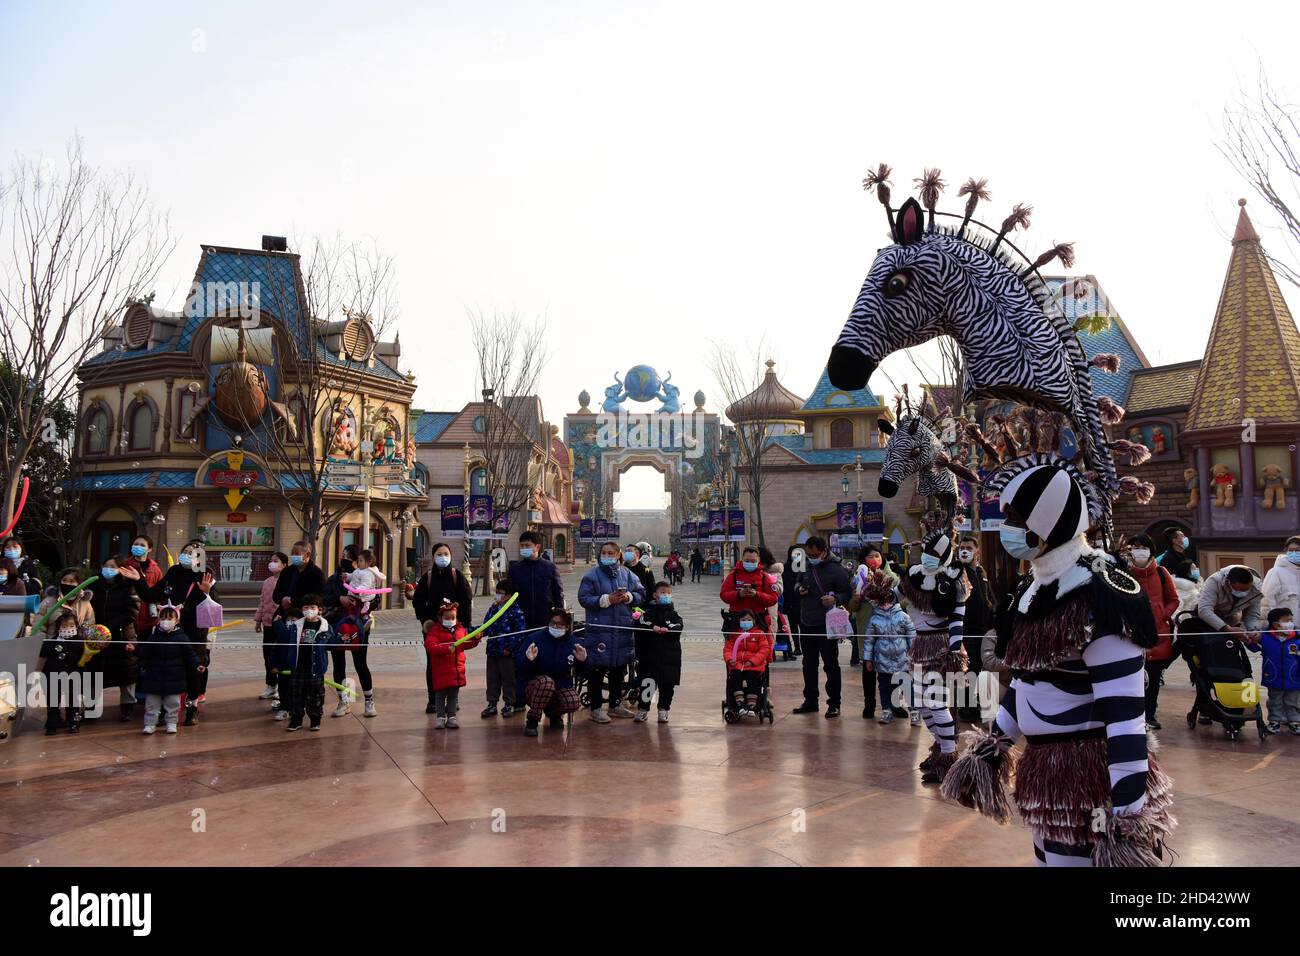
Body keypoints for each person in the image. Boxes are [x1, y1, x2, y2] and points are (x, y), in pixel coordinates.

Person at [943, 459, 1173, 867]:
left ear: (1046, 521)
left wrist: (1127, 812)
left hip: (1089, 776)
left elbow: (1125, 718)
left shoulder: (1100, 595)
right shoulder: (1032, 589)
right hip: (1045, 773)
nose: (1008, 526)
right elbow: (1029, 683)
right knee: (1047, 860)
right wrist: (994, 746)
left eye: (1016, 516)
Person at [900, 529, 969, 782]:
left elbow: (957, 620)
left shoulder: (955, 579)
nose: (928, 556)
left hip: (939, 648)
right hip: (919, 647)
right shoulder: (914, 575)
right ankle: (941, 748)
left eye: (934, 553)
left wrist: (954, 650)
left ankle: (950, 760)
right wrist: (878, 590)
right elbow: (894, 595)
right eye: (926, 551)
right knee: (920, 703)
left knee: (938, 703)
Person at [132, 538, 218, 725]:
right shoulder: (174, 572)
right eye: (185, 551)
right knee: (168, 667)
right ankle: (167, 709)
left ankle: (192, 708)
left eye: (192, 553)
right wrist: (139, 580)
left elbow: (212, 607)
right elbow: (150, 595)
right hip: (171, 628)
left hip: (195, 630)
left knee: (193, 670)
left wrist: (206, 592)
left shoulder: (205, 574)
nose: (187, 555)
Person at [577, 541, 644, 723]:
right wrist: (606, 599)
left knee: (618, 669)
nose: (606, 556)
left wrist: (629, 597)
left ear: (617, 555)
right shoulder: (592, 576)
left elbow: (640, 594)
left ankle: (615, 704)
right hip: (600, 631)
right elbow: (584, 598)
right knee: (597, 671)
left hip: (622, 629)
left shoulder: (627, 574)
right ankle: (596, 707)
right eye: (604, 552)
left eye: (610, 553)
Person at [792, 536, 853, 719]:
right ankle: (810, 701)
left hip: (828, 624)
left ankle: (834, 703)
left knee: (831, 665)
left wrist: (836, 599)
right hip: (807, 621)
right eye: (809, 554)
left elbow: (847, 592)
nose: (812, 557)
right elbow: (796, 583)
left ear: (824, 551)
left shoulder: (836, 569)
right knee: (808, 664)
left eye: (815, 554)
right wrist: (799, 590)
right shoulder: (805, 566)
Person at [1125, 533, 1179, 729]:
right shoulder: (1122, 572)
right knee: (1132, 680)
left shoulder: (1162, 573)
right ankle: (1134, 716)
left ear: (1151, 551)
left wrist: (1163, 613)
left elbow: (1174, 599)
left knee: (1153, 680)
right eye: (1135, 547)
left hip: (1158, 636)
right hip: (1130, 637)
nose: (1140, 551)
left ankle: (1150, 714)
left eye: (1143, 547)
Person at [412, 542, 473, 713]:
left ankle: (453, 699)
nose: (443, 557)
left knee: (454, 663)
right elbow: (418, 601)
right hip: (433, 630)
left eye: (446, 554)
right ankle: (433, 700)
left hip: (454, 628)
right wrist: (426, 621)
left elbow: (466, 600)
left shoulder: (457, 576)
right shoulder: (428, 577)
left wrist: (465, 625)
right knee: (433, 664)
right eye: (439, 554)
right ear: (433, 557)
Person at [516, 609, 590, 736]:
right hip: (533, 684)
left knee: (573, 701)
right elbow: (519, 666)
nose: (555, 626)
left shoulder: (574, 643)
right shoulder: (535, 639)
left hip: (561, 683)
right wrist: (528, 660)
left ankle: (554, 714)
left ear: (567, 626)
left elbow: (586, 672)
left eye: (560, 624)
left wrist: (583, 661)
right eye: (552, 623)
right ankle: (533, 719)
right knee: (546, 683)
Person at [327, 547, 380, 719]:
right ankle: (343, 700)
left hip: (359, 626)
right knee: (338, 664)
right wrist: (339, 599)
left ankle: (369, 700)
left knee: (360, 663)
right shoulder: (335, 578)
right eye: (342, 556)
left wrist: (364, 602)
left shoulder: (367, 576)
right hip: (337, 625)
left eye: (348, 557)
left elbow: (375, 600)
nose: (344, 560)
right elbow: (323, 597)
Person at [87, 555, 142, 721]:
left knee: (126, 672)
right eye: (106, 565)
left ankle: (127, 707)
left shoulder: (128, 586)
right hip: (96, 635)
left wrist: (110, 626)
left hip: (121, 635)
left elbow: (132, 611)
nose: (108, 569)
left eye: (113, 566)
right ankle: (91, 707)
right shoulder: (94, 584)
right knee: (94, 671)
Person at [137, 605, 204, 735]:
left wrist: (197, 665)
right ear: (158, 620)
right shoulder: (153, 638)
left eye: (169, 618)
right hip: (154, 677)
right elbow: (145, 653)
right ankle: (150, 724)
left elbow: (190, 655)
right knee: (151, 704)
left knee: (173, 703)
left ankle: (172, 723)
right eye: (163, 618)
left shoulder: (182, 638)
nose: (165, 621)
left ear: (177, 621)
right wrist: (134, 650)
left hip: (175, 677)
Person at [859, 572, 914, 723]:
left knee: (907, 687)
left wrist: (913, 654)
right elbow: (869, 641)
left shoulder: (903, 616)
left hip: (902, 660)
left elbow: (911, 636)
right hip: (882, 661)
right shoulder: (874, 619)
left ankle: (914, 711)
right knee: (884, 687)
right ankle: (886, 711)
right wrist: (868, 659)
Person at [953, 535, 993, 723]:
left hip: (983, 630)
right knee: (966, 670)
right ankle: (965, 709)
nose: (965, 550)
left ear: (977, 551)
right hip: (965, 629)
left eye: (969, 547)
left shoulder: (981, 572)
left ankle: (977, 705)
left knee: (980, 669)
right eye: (962, 547)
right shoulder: (957, 571)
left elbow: (988, 597)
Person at [424, 602, 480, 729]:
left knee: (453, 695)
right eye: (447, 618)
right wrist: (445, 649)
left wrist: (476, 639)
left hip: (456, 670)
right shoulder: (435, 632)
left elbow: (466, 643)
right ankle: (440, 717)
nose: (450, 621)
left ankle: (452, 716)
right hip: (441, 670)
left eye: (453, 618)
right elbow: (431, 647)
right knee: (440, 695)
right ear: (440, 618)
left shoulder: (460, 630)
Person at [634, 580, 683, 722]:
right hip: (649, 657)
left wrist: (669, 630)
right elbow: (641, 623)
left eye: (668, 593)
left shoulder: (674, 614)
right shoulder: (648, 613)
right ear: (655, 595)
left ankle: (663, 710)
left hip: (670, 658)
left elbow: (678, 626)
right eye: (663, 593)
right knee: (647, 684)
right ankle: (643, 709)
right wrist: (652, 628)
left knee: (667, 686)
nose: (666, 595)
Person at [286, 594, 336, 732]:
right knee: (296, 694)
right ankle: (296, 720)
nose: (309, 610)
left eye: (312, 607)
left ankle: (315, 720)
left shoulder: (325, 627)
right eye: (306, 607)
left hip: (316, 667)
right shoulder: (296, 626)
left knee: (316, 695)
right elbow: (285, 641)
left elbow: (332, 643)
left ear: (319, 609)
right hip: (298, 666)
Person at [1248, 607, 1300, 734]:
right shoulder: (1265, 638)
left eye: (1291, 620)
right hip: (1273, 676)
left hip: (1294, 677)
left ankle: (1294, 722)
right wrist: (1251, 639)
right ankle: (1274, 721)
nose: (1291, 623)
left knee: (1292, 701)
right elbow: (1253, 647)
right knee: (1274, 701)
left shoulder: (1297, 639)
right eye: (1287, 620)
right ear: (1276, 625)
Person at [481, 579, 527, 718]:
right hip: (493, 651)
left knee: (508, 679)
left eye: (500, 593)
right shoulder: (494, 608)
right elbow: (486, 625)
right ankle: (492, 704)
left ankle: (509, 704)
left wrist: (510, 648)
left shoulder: (516, 611)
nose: (497, 596)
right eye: (497, 593)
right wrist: (476, 633)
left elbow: (520, 633)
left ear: (509, 595)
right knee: (492, 678)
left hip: (507, 653)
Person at [122, 535, 164, 685]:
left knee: (145, 653)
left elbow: (160, 591)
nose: (137, 546)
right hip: (130, 616)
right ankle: (131, 687)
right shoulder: (126, 565)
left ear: (149, 549)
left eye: (142, 544)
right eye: (135, 543)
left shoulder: (155, 568)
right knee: (130, 653)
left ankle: (143, 686)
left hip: (149, 617)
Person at [507, 530, 564, 631]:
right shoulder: (514, 569)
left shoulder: (550, 567)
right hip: (521, 619)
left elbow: (558, 593)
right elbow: (509, 594)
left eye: (527, 545)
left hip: (545, 619)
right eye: (522, 546)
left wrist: (560, 614)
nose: (524, 548)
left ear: (537, 547)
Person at [41, 609, 85, 735]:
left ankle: (74, 723)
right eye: (64, 626)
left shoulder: (79, 641)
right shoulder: (53, 640)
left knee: (73, 702)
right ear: (59, 627)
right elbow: (43, 652)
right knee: (53, 702)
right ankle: (51, 725)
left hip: (73, 675)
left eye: (71, 626)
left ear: (76, 626)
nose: (68, 629)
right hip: (54, 675)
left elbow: (83, 658)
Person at [253, 551, 289, 704]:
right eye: (271, 560)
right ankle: (271, 685)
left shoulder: (287, 581)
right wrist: (258, 620)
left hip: (281, 625)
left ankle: (282, 687)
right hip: (267, 624)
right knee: (267, 655)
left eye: (276, 560)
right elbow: (262, 602)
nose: (272, 563)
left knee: (281, 655)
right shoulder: (267, 581)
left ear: (284, 565)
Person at [724, 609, 771, 716]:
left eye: (749, 619)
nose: (746, 621)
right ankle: (739, 702)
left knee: (752, 677)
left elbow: (764, 649)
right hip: (737, 664)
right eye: (743, 619)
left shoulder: (759, 634)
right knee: (735, 676)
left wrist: (753, 661)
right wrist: (730, 659)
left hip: (754, 665)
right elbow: (727, 649)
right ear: (739, 621)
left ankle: (752, 703)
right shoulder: (734, 634)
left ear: (754, 621)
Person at [273, 540, 327, 615]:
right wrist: (282, 599)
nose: (293, 556)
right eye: (292, 553)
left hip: (306, 614)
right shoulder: (287, 571)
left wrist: (293, 601)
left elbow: (319, 597)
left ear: (307, 554)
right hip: (284, 612)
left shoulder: (317, 574)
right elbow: (276, 593)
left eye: (297, 553)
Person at [1262, 535, 1300, 621]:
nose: (1294, 553)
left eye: (1297, 550)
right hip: (1285, 628)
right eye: (1290, 550)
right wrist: (1273, 624)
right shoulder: (1276, 572)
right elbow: (1267, 602)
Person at [781, 547, 803, 659]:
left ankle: (805, 647)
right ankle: (797, 647)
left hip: (803, 602)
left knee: (804, 626)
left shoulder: (805, 567)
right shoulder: (785, 568)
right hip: (790, 602)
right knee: (793, 626)